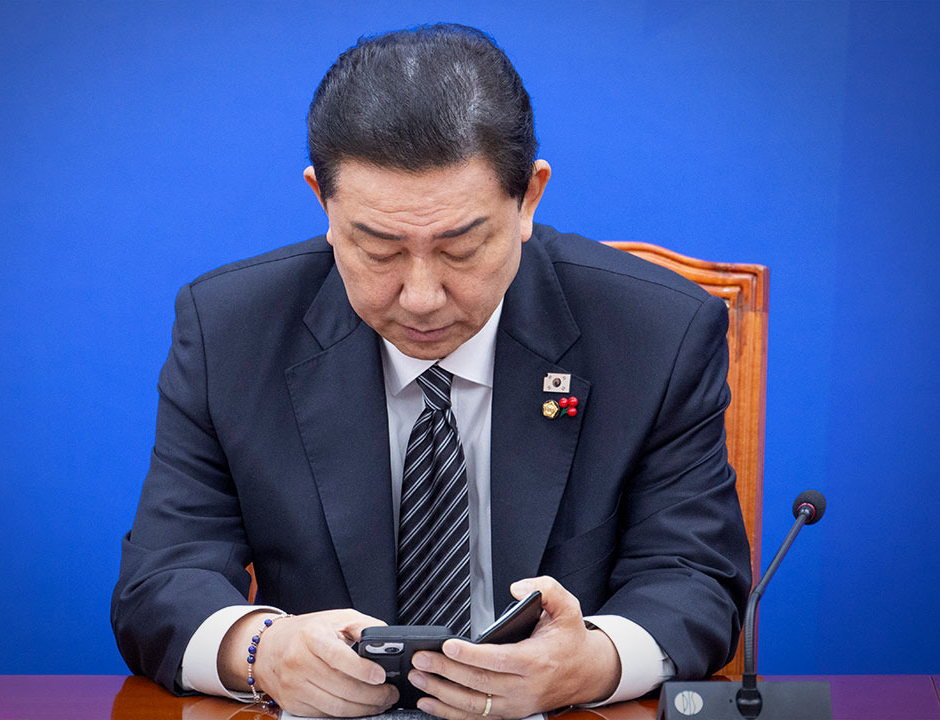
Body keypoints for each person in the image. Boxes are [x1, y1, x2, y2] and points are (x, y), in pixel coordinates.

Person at [112, 23, 749, 719]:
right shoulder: (231, 331)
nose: (421, 297)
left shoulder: (655, 334)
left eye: (461, 248)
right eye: (380, 250)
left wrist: (589, 663)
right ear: (323, 203)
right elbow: (162, 581)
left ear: (529, 198)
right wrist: (264, 648)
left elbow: (695, 577)